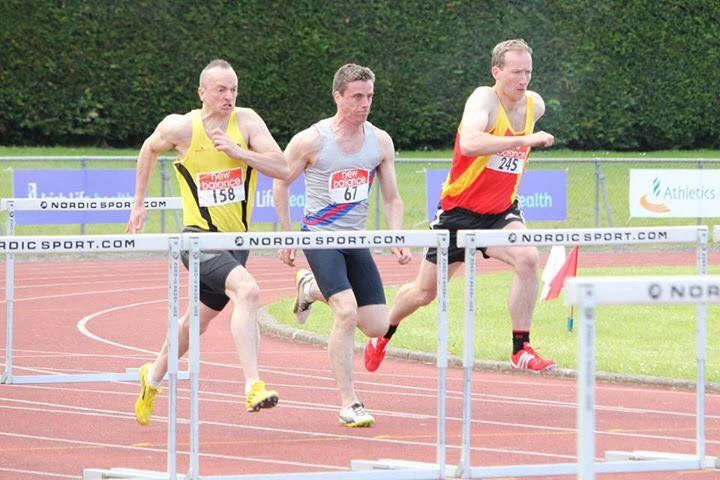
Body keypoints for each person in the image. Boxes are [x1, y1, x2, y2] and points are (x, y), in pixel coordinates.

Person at [365, 39, 556, 373]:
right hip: (459, 214)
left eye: (528, 72)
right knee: (425, 293)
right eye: (515, 72)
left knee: (528, 257)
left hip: (500, 212)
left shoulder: (534, 105)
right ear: (497, 71)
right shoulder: (484, 99)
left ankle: (520, 348)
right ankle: (383, 333)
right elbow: (468, 143)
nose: (523, 79)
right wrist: (524, 140)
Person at [126, 59, 288, 426]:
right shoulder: (181, 127)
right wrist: (139, 203)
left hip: (237, 242)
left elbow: (282, 168)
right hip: (197, 239)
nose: (229, 96)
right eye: (221, 90)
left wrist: (238, 152)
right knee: (247, 290)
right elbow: (148, 150)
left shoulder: (247, 123)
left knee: (195, 322)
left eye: (233, 89)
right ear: (202, 93)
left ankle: (152, 378)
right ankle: (253, 384)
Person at [273, 63, 411, 427]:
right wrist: (287, 234)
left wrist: (396, 234)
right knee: (346, 312)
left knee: (377, 326)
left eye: (370, 96)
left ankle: (309, 288)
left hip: (355, 238)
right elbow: (281, 182)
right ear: (338, 97)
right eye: (357, 97)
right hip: (319, 236)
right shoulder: (312, 140)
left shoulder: (380, 142)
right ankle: (349, 402)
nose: (365, 104)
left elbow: (392, 198)